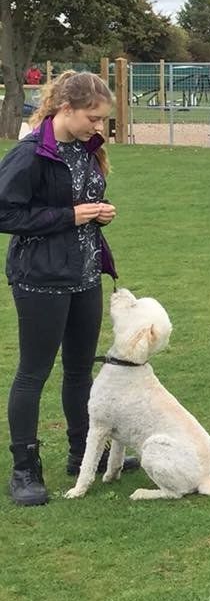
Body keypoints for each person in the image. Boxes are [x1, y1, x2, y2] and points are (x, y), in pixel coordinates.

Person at [0, 71, 136, 507]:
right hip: (40, 279)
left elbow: (79, 203)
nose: (99, 128)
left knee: (80, 371)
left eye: (102, 121)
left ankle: (83, 455)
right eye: (93, 118)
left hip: (84, 275)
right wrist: (69, 216)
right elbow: (5, 214)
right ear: (66, 108)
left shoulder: (86, 150)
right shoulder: (30, 155)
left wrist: (99, 214)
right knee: (33, 373)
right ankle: (25, 469)